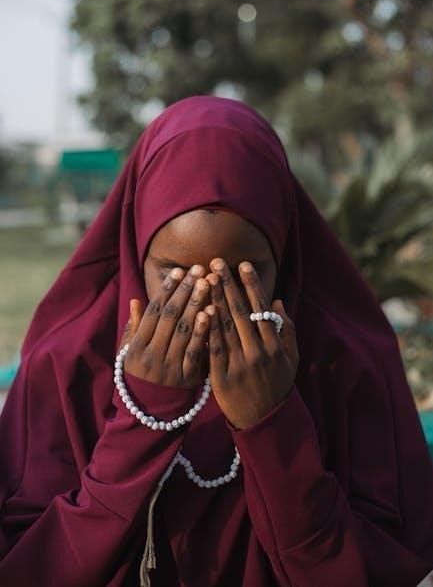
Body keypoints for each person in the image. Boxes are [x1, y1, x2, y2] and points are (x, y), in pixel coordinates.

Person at [0, 96, 432, 587]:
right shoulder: (69, 359)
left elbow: (379, 565)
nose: (207, 301)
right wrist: (144, 413)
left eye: (244, 274)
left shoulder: (343, 360)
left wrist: (272, 423)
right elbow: (29, 566)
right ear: (136, 252)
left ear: (284, 252)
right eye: (175, 275)